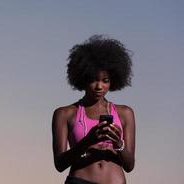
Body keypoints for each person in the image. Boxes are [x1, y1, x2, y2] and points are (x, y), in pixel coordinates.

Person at [52, 35, 135, 184]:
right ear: (82, 78)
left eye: (105, 80)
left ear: (113, 81)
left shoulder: (125, 113)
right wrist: (88, 141)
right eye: (93, 79)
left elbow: (129, 165)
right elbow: (59, 164)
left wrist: (118, 143)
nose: (99, 86)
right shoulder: (64, 114)